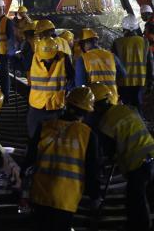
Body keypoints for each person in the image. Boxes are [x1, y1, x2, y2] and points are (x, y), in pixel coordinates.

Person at [24, 86, 100, 231]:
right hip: (65, 199)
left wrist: (24, 189)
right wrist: (95, 196)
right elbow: (92, 170)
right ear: (87, 111)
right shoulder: (88, 135)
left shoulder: (44, 127)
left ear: (67, 103)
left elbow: (29, 160)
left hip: (39, 194)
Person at [90, 82, 154, 231]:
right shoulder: (127, 108)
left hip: (138, 165)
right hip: (151, 155)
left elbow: (107, 153)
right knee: (148, 197)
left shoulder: (104, 123)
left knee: (135, 203)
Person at [27, 37, 74, 138]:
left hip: (55, 106)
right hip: (37, 105)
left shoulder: (64, 58)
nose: (48, 60)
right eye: (45, 58)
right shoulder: (33, 57)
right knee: (34, 136)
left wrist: (67, 91)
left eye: (50, 57)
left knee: (54, 138)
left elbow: (71, 78)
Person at [112, 14, 153, 113]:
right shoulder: (145, 42)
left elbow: (113, 65)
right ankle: (139, 124)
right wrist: (151, 80)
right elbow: (150, 64)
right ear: (136, 27)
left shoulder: (117, 42)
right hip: (140, 82)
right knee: (137, 106)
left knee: (124, 108)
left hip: (123, 83)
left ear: (124, 28)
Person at [75, 28, 125, 104]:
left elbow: (80, 85)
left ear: (84, 43)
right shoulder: (111, 56)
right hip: (112, 99)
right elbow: (123, 74)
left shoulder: (83, 59)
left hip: (94, 102)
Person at [0, 0, 16, 100]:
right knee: (1, 74)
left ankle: (6, 97)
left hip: (4, 53)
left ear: (3, 8)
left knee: (4, 75)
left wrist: (9, 53)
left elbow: (11, 39)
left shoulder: (7, 21)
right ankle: (3, 94)